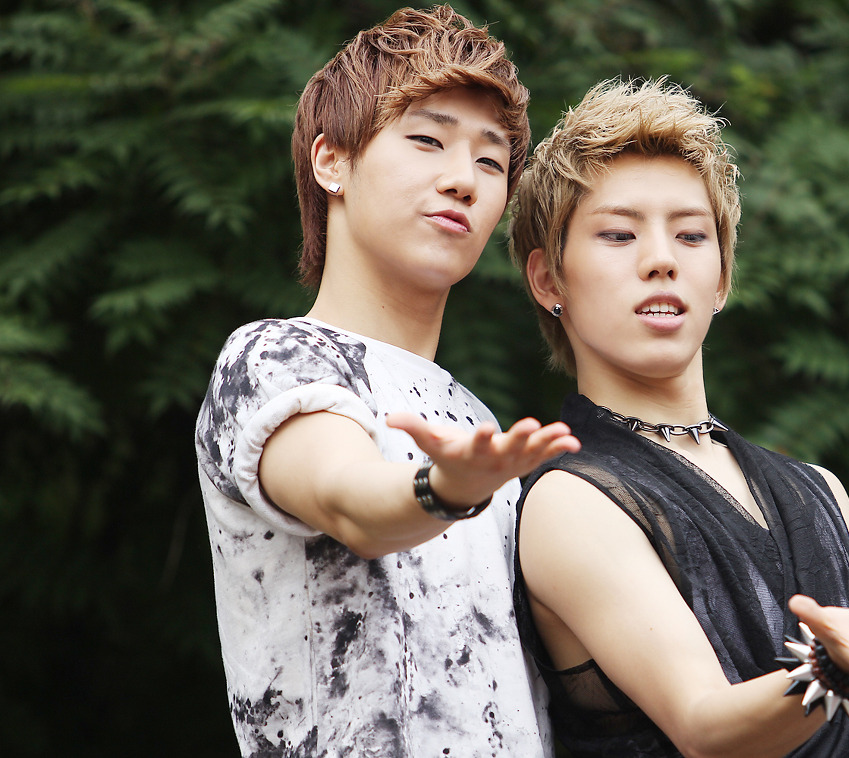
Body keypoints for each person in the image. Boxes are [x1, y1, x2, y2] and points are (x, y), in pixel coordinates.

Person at [507, 78, 849, 758]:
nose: (661, 259)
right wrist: (830, 671)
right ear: (548, 280)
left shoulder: (820, 491)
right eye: (618, 234)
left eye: (691, 235)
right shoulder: (570, 500)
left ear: (723, 277)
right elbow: (704, 725)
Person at [194, 7, 579, 756]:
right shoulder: (275, 359)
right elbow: (352, 500)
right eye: (428, 140)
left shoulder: (477, 423)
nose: (462, 181)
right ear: (331, 161)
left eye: (491, 161)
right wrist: (444, 488)